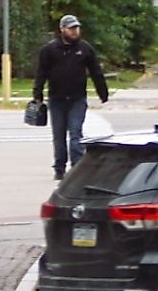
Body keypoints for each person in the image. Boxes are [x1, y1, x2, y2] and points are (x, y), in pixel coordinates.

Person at [33, 13, 111, 177]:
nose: (75, 31)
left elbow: (96, 71)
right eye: (71, 28)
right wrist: (37, 93)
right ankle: (59, 168)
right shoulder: (49, 50)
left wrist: (102, 92)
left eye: (76, 28)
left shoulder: (84, 49)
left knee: (75, 134)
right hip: (57, 99)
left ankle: (77, 169)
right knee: (59, 136)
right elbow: (41, 73)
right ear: (62, 29)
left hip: (77, 99)